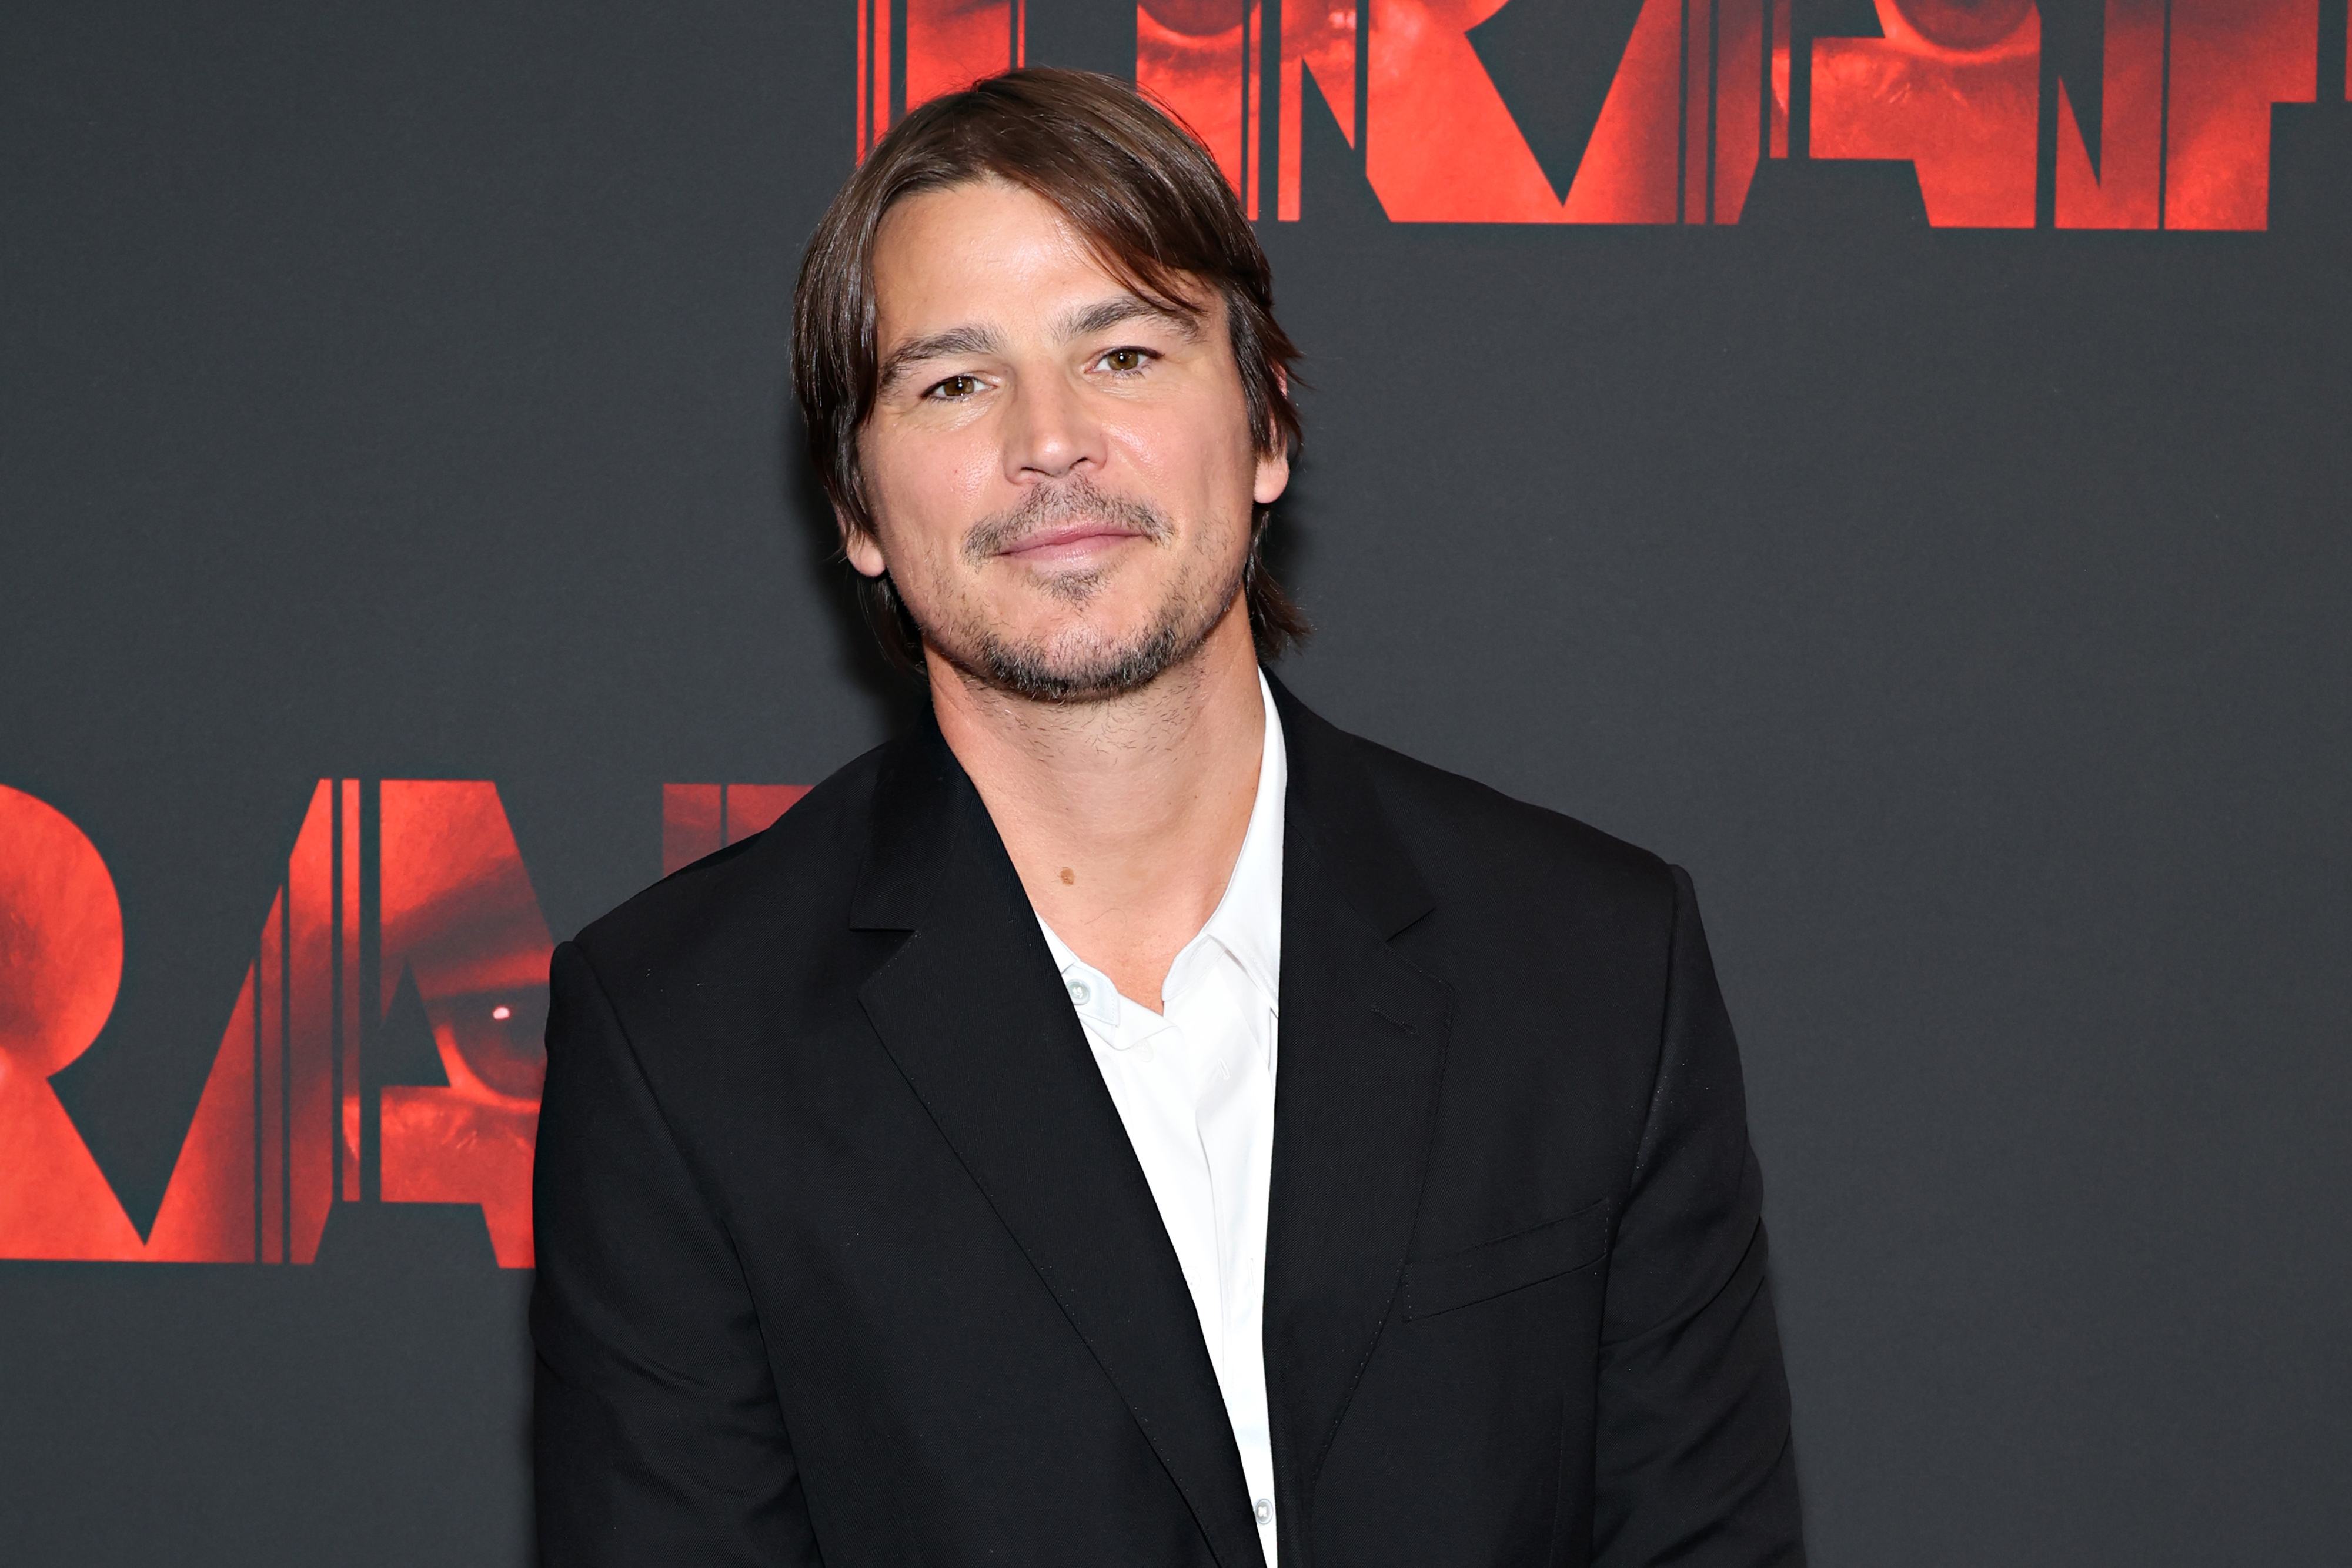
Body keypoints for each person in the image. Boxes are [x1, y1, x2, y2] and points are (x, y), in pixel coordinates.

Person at [531, 67, 1803, 1568]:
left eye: (1123, 353)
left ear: (1266, 426)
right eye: (954, 381)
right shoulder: (687, 1036)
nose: (1050, 439)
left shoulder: (1593, 962)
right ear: (858, 510)